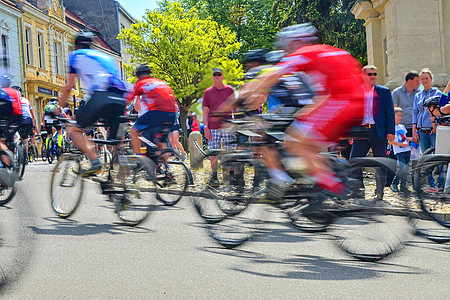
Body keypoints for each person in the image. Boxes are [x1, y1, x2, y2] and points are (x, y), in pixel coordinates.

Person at [239, 23, 365, 199]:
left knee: (294, 141)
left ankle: (332, 186)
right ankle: (318, 179)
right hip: (355, 101)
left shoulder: (305, 53)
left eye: (287, 45)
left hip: (341, 101)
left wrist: (249, 95)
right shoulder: (327, 51)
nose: (286, 50)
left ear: (295, 42)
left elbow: (272, 75)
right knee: (307, 142)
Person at [58, 31, 128, 175]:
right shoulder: (106, 57)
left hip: (100, 97)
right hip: (120, 99)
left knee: (75, 130)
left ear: (76, 46)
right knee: (116, 144)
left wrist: (59, 108)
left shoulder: (76, 56)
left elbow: (68, 87)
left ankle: (95, 162)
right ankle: (123, 189)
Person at [349, 65, 395, 200]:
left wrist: (390, 131)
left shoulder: (384, 91)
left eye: (375, 74)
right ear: (363, 76)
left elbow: (390, 113)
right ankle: (359, 191)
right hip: (361, 131)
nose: (373, 76)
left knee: (380, 162)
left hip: (378, 131)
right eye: (370, 74)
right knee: (354, 161)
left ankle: (379, 193)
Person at [125, 64, 177, 155]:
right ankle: (164, 166)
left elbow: (127, 100)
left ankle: (139, 158)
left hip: (157, 113)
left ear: (138, 75)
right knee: (160, 143)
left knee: (133, 131)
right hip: (172, 115)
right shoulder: (162, 82)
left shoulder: (141, 83)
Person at [202, 67, 235, 185]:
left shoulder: (229, 90)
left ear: (223, 76)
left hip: (227, 125)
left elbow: (234, 108)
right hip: (213, 126)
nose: (217, 76)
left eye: (219, 74)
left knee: (230, 152)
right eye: (215, 74)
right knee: (213, 153)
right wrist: (205, 127)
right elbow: (205, 111)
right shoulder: (208, 92)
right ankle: (214, 176)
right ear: (212, 77)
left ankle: (231, 177)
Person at [412, 68, 443, 192]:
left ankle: (440, 185)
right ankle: (432, 185)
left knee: (438, 157)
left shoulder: (438, 93)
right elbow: (415, 112)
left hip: (434, 130)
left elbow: (440, 112)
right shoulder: (417, 95)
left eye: (426, 78)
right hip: (421, 131)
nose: (424, 81)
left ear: (431, 79)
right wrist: (414, 130)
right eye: (422, 79)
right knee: (426, 159)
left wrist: (436, 125)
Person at [389, 107, 412, 193]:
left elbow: (404, 138)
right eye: (398, 115)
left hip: (407, 150)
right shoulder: (391, 128)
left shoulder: (402, 126)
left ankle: (403, 186)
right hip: (399, 151)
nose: (400, 117)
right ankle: (394, 184)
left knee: (406, 169)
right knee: (403, 168)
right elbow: (391, 141)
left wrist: (411, 139)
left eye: (401, 116)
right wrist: (401, 145)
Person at [392, 71, 420, 137]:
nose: (419, 83)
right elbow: (394, 110)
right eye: (416, 81)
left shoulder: (419, 93)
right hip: (401, 127)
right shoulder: (396, 93)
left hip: (415, 127)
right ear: (409, 81)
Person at [12, 86, 36, 154]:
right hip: (28, 121)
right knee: (25, 138)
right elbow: (32, 115)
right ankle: (25, 156)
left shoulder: (11, 100)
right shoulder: (26, 100)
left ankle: (12, 153)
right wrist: (33, 125)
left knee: (12, 135)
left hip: (17, 120)